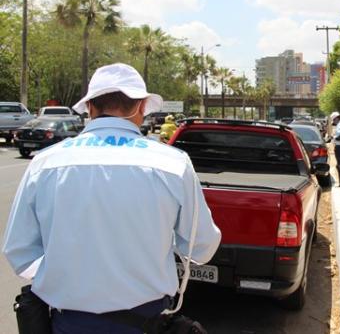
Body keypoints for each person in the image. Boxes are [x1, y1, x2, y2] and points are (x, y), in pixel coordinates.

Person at [2, 63, 221, 333]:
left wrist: (66, 275)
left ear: (91, 107)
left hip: (68, 322)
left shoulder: (46, 162)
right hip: (147, 320)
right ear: (141, 107)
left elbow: (19, 251)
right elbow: (202, 247)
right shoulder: (173, 163)